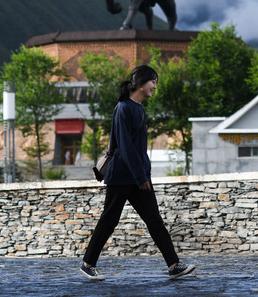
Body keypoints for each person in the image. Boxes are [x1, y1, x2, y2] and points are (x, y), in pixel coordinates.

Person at [79, 65, 195, 281]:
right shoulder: (123, 108)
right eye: (153, 82)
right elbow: (124, 147)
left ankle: (174, 265)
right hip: (122, 176)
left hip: (138, 176)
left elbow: (137, 149)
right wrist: (140, 177)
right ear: (141, 83)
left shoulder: (139, 108)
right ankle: (88, 264)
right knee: (109, 221)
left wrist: (143, 175)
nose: (154, 87)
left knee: (154, 220)